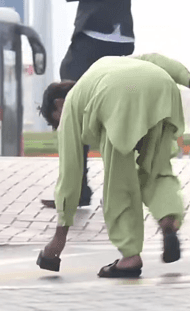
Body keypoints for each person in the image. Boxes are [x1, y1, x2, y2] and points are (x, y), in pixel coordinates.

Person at [35, 53, 190, 277]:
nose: (59, 125)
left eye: (55, 121)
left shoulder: (73, 104)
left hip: (118, 99)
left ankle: (130, 257)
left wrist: (58, 241)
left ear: (58, 104)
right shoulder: (104, 65)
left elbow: (70, 175)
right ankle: (168, 220)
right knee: (157, 170)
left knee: (118, 185)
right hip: (161, 87)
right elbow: (155, 59)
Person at [40, 0, 135, 209]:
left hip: (95, 32)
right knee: (111, 115)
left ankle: (76, 191)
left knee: (73, 111)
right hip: (122, 36)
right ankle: (116, 193)